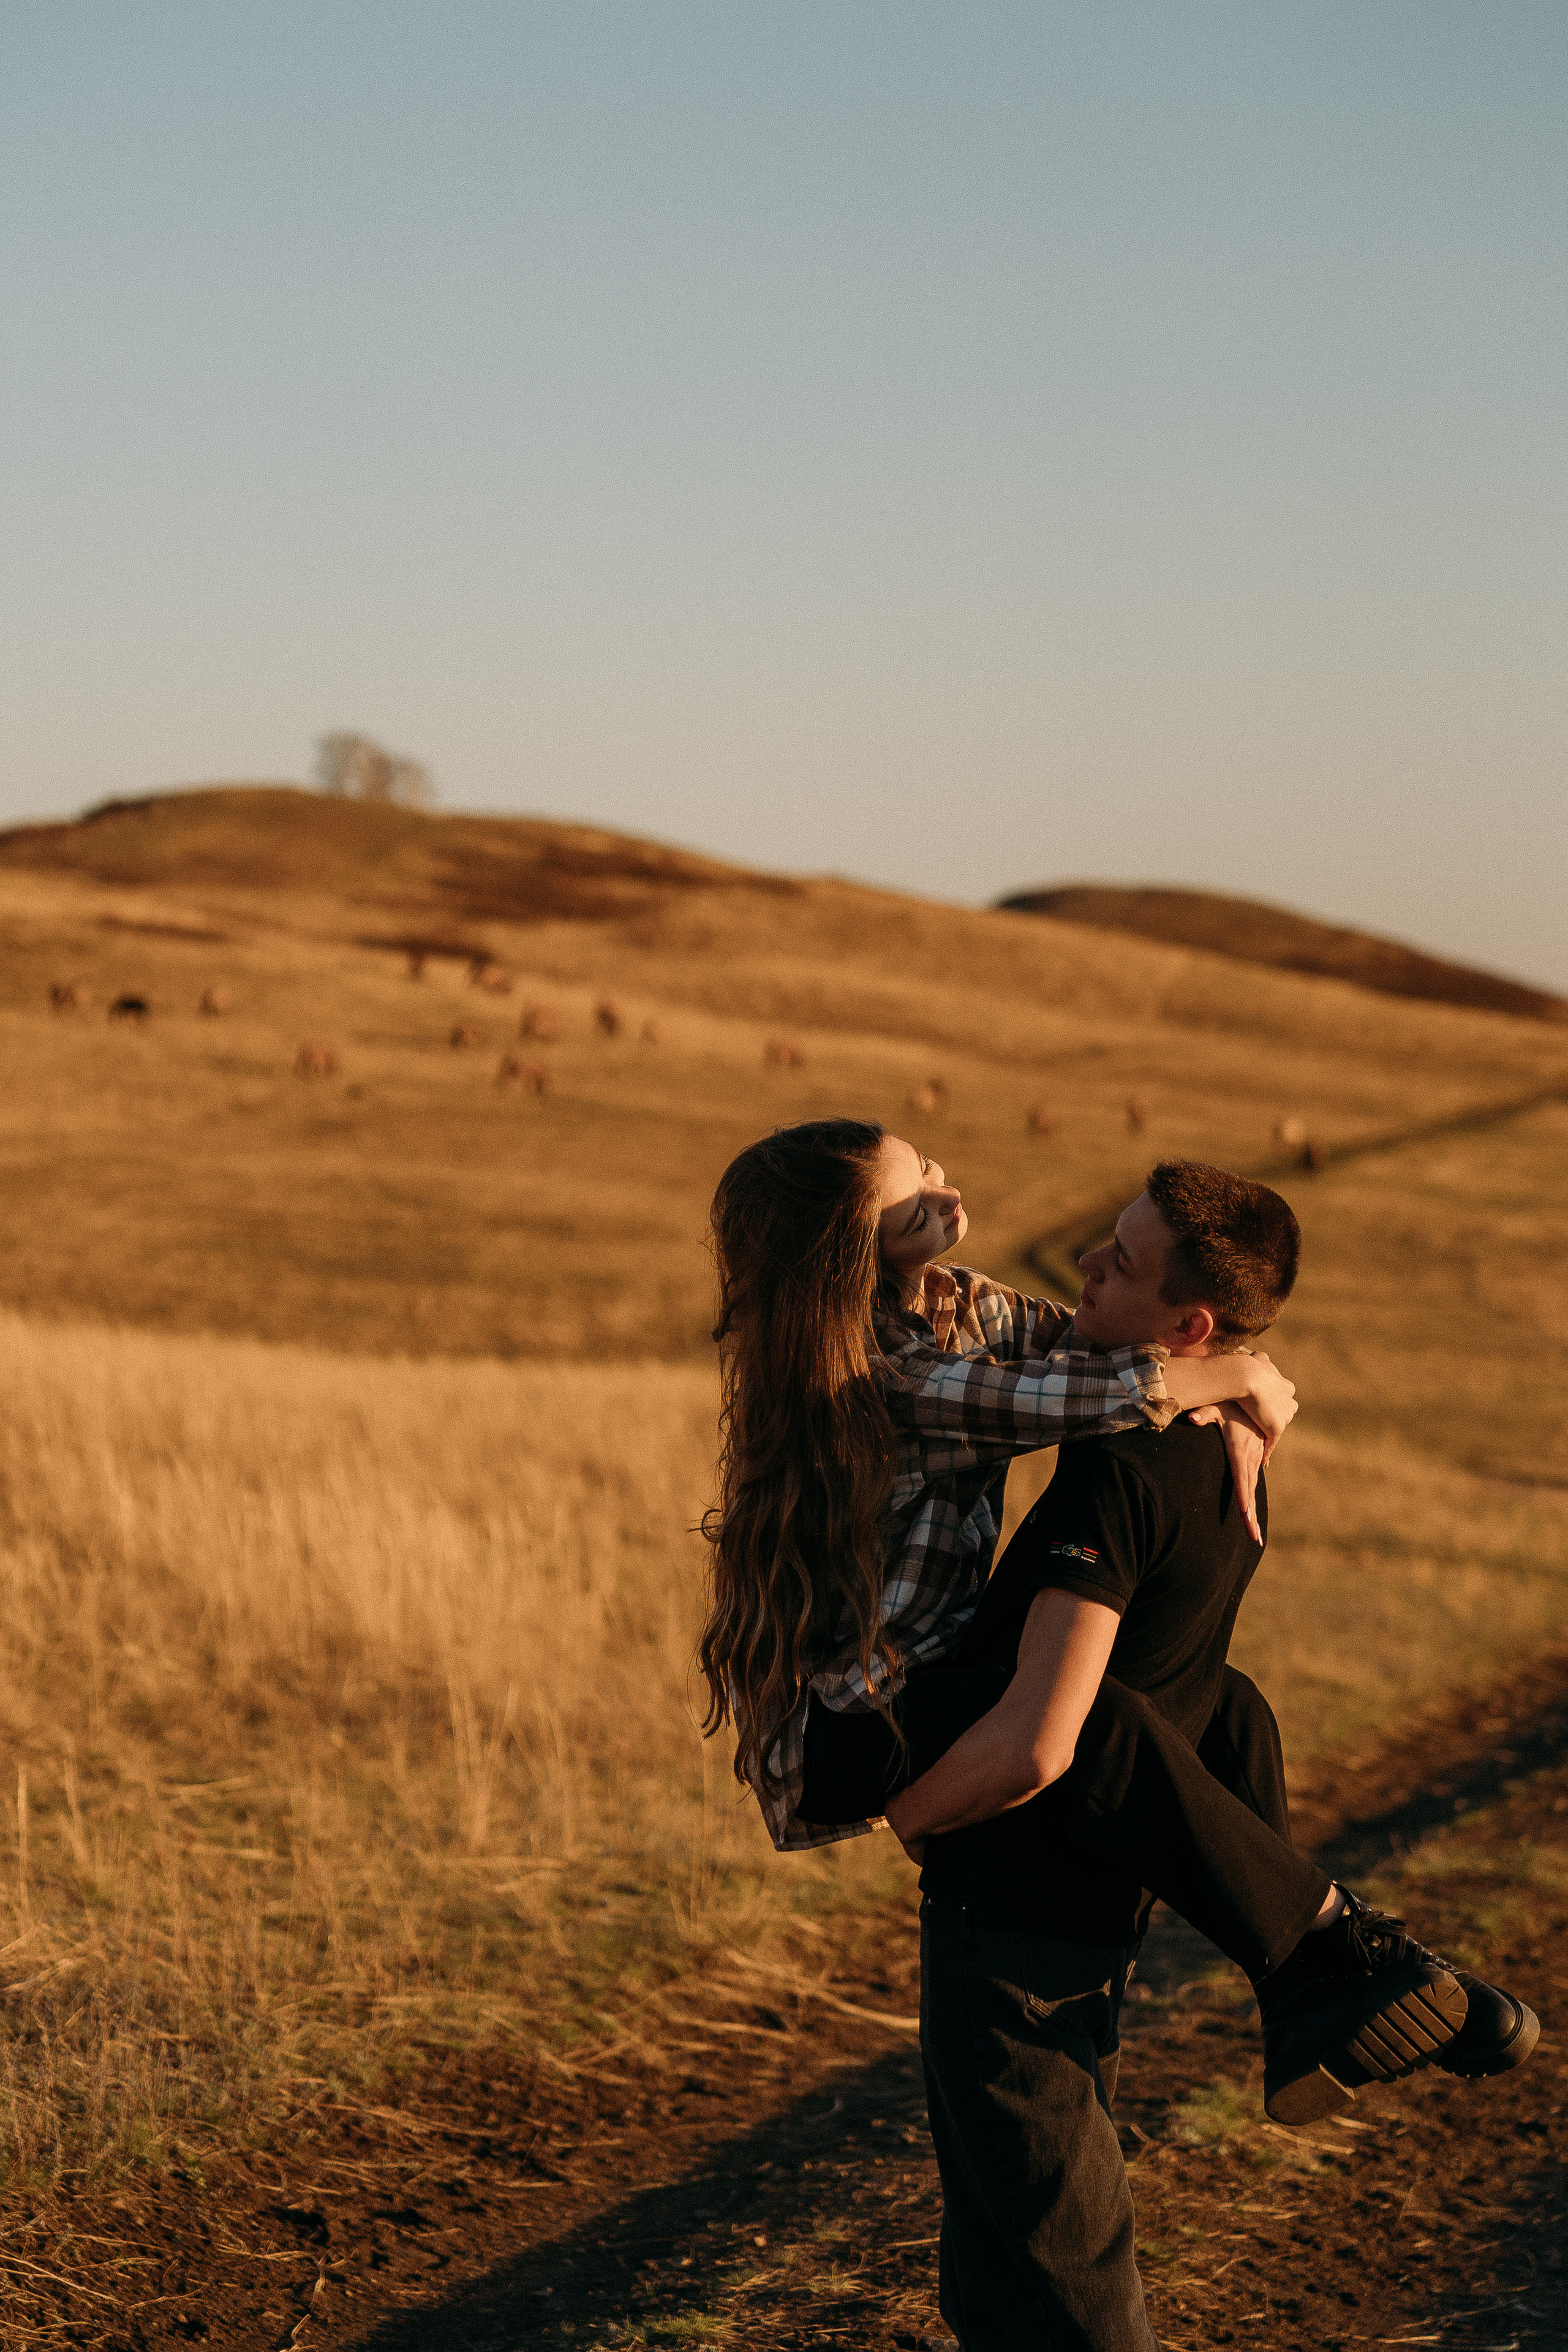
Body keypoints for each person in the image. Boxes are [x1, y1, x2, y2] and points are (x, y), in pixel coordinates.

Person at [696, 1124, 1533, 2135]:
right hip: (843, 1719)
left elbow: (1106, 1340)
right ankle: (1341, 1947)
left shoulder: (956, 1301)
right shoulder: (867, 1376)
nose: (948, 1197)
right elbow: (1056, 1394)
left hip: (931, 1672)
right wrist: (1230, 1381)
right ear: (851, 1255)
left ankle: (1300, 1996)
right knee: (1085, 1724)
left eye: (931, 1168)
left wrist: (1228, 1372)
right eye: (920, 1204)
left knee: (1231, 1713)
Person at [880, 1158, 1536, 2348]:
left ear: (1183, 1323)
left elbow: (1044, 1736)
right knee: (1010, 2262)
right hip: (1101, 1892)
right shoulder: (1225, 1455)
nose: (1082, 1264)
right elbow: (1195, 1692)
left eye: (1116, 1261)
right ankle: (1326, 1975)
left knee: (1050, 2266)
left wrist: (911, 1813)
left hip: (1016, 1899)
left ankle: (1330, 1966)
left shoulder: (1120, 1461)